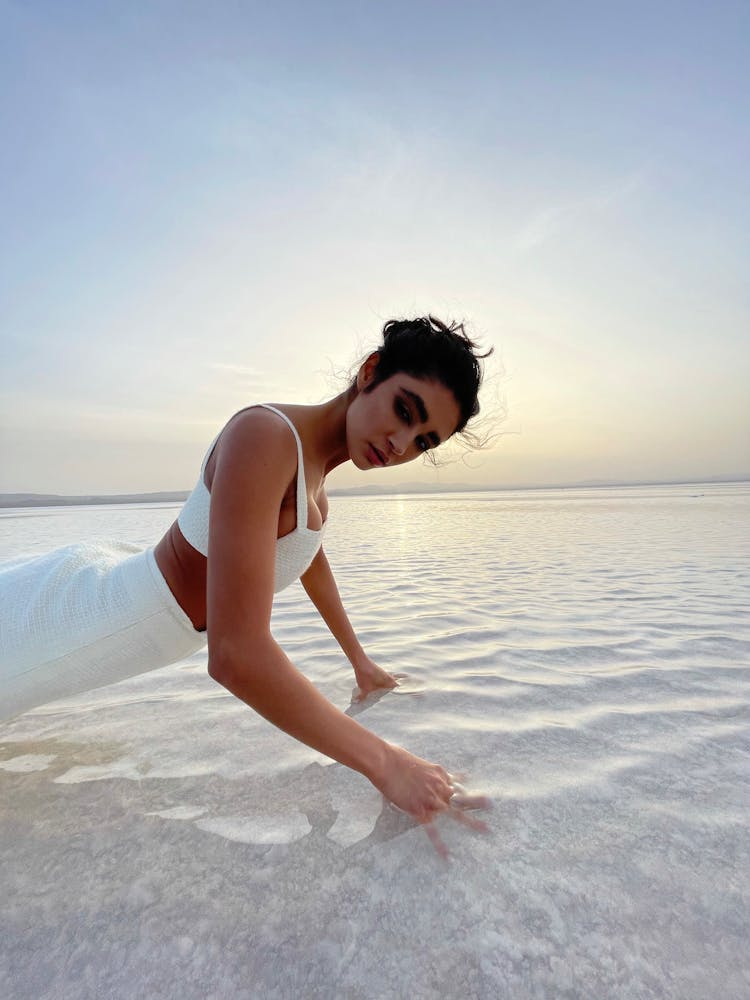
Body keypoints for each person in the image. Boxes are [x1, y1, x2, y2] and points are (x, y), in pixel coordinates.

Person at [1, 316, 491, 855]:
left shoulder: (313, 475)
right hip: (80, 622)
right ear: (369, 372)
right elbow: (235, 654)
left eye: (423, 441)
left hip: (112, 606)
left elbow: (307, 554)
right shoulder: (266, 436)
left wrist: (360, 663)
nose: (400, 444)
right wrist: (387, 764)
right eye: (404, 410)